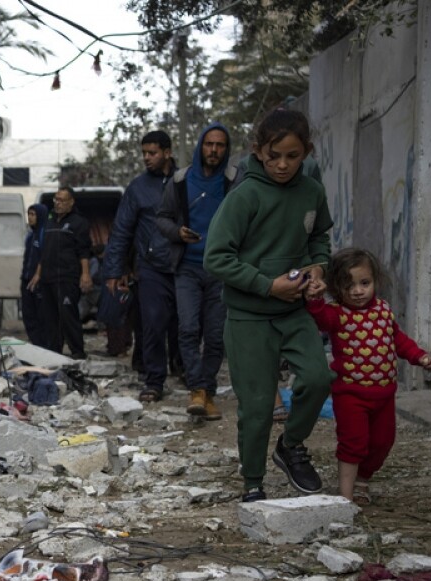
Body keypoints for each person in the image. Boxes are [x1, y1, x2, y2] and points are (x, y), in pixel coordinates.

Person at [205, 108, 335, 503]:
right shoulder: (245, 196)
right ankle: (253, 483)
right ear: (258, 151)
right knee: (258, 406)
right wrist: (266, 285)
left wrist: (318, 269)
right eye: (273, 155)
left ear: (306, 153)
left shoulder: (312, 192)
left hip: (294, 311)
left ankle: (291, 445)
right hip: (248, 318)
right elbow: (216, 258)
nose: (282, 165)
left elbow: (319, 240)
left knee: (317, 378)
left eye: (292, 156)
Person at [306, 247, 431, 505]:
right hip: (351, 394)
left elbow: (398, 339)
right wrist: (315, 299)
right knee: (354, 443)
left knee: (382, 442)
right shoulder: (337, 313)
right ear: (336, 288)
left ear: (375, 280)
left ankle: (363, 479)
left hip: (385, 395)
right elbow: (320, 319)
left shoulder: (383, 310)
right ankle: (346, 496)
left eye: (364, 283)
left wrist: (419, 356)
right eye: (348, 285)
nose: (357, 291)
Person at [157, 122, 239, 421]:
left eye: (219, 145)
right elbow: (162, 218)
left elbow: (247, 219)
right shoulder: (180, 180)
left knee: (216, 336)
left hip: (222, 269)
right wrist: (178, 232)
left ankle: (207, 392)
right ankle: (198, 390)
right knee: (188, 329)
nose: (214, 150)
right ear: (200, 146)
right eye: (209, 144)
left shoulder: (235, 180)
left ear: (226, 149)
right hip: (187, 267)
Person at [103, 130, 178, 401]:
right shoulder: (138, 188)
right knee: (153, 323)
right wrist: (113, 270)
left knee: (186, 326)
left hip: (184, 265)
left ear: (167, 152)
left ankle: (186, 373)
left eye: (152, 153)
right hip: (151, 267)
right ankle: (154, 380)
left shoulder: (186, 182)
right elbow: (122, 230)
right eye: (144, 153)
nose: (147, 158)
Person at [28, 187, 93, 358]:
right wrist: (38, 273)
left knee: (68, 316)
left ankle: (78, 353)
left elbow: (84, 252)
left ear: (71, 202)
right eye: (56, 199)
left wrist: (85, 275)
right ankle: (54, 354)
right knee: (50, 319)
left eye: (62, 200)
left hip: (67, 278)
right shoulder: (49, 222)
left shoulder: (79, 223)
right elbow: (45, 251)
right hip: (47, 278)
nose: (57, 203)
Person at [20, 204, 49, 347]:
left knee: (42, 317)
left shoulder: (44, 233)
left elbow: (44, 256)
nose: (30, 217)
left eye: (33, 214)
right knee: (28, 315)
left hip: (39, 282)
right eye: (29, 214)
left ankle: (43, 345)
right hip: (26, 281)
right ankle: (36, 343)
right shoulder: (30, 236)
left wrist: (38, 275)